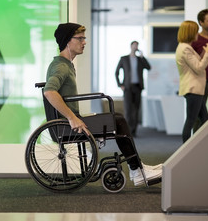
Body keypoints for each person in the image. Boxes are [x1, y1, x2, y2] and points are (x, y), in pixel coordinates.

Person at [44, 23, 162, 186]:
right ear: (67, 41)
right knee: (119, 121)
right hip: (68, 125)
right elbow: (49, 92)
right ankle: (136, 169)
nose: (84, 42)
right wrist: (72, 118)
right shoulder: (61, 66)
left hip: (68, 123)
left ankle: (137, 167)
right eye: (80, 38)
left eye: (84, 38)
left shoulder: (65, 64)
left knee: (118, 118)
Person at [176, 20, 208, 143]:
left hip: (195, 90)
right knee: (191, 121)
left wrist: (203, 54)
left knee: (205, 120)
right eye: (196, 31)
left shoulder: (185, 47)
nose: (198, 33)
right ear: (190, 32)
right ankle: (185, 151)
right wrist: (207, 54)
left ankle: (199, 148)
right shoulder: (185, 48)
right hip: (193, 90)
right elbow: (198, 68)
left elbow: (195, 65)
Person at [115, 41, 151, 137]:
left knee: (136, 109)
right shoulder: (124, 59)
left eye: (137, 46)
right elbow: (116, 72)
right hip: (127, 87)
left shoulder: (140, 59)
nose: (135, 47)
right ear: (131, 46)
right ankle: (127, 131)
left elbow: (148, 67)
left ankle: (134, 131)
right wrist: (120, 85)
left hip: (137, 87)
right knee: (128, 110)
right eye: (134, 45)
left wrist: (143, 56)